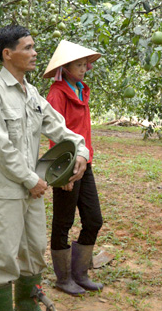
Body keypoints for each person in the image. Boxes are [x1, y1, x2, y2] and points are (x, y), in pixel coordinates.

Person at [0, 25, 89, 311]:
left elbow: (61, 129)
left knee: (34, 251)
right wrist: (30, 179)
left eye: (33, 47)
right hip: (6, 189)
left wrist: (82, 152)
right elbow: (0, 148)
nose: (35, 53)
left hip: (32, 189)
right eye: (28, 48)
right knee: (5, 257)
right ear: (8, 54)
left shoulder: (32, 94)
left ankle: (28, 304)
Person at [43, 40, 103, 296]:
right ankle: (64, 277)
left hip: (85, 163)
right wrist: (63, 171)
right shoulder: (57, 93)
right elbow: (55, 135)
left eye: (85, 64)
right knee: (63, 221)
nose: (84, 68)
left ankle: (80, 273)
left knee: (94, 219)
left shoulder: (80, 89)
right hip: (66, 164)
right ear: (65, 67)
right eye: (79, 65)